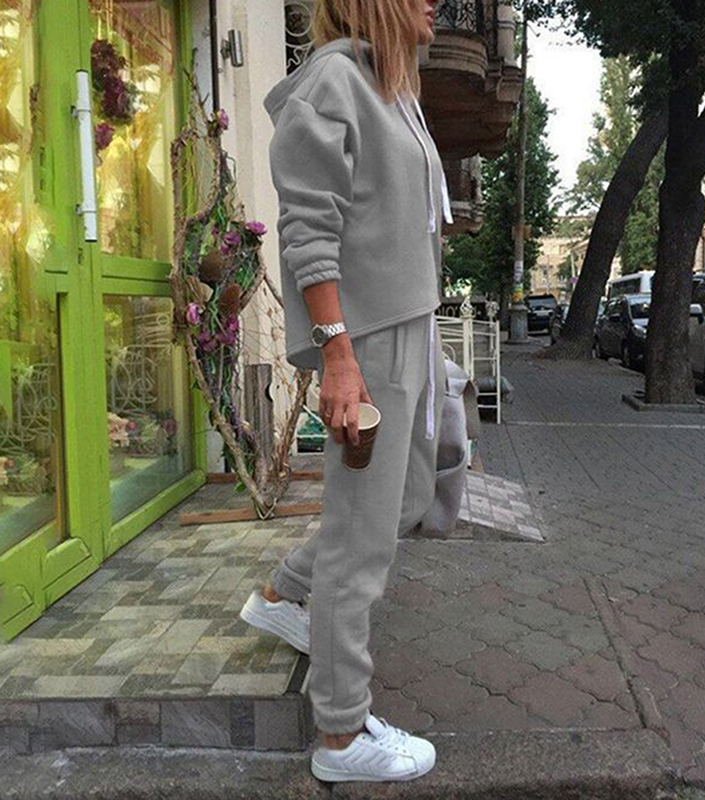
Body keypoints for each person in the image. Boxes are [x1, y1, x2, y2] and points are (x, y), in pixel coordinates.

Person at [238, 0, 453, 784]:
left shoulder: (391, 86)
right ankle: (340, 735)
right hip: (370, 337)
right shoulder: (334, 82)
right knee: (361, 539)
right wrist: (338, 355)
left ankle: (283, 596)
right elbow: (308, 229)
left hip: (412, 324)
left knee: (410, 496)